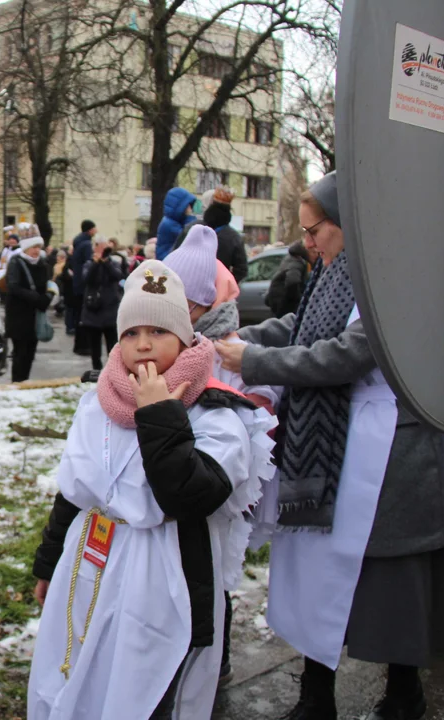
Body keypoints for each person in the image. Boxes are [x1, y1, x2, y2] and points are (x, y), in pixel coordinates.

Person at [215, 172, 444, 720]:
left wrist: (253, 361)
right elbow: (302, 325)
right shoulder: (335, 273)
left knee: (395, 586)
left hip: (392, 459)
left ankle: (404, 695)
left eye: (316, 231)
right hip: (337, 451)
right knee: (321, 577)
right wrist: (241, 337)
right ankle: (317, 697)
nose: (308, 243)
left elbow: (346, 352)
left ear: (350, 225)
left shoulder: (393, 277)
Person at [28, 259, 276, 720]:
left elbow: (189, 495)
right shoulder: (98, 404)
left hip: (162, 576)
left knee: (146, 693)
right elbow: (74, 492)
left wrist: (160, 414)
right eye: (130, 333)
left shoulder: (216, 416)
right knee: (81, 672)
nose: (142, 345)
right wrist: (48, 562)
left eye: (158, 332)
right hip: (89, 563)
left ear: (184, 338)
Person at [163, 223, 282, 685]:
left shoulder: (228, 349)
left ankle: (214, 659)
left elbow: (261, 405)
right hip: (171, 479)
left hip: (217, 491)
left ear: (201, 304)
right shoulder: (173, 339)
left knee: (210, 577)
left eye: (180, 301)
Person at [5, 236, 55, 383]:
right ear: (26, 248)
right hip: (18, 316)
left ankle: (25, 381)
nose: (37, 250)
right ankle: (17, 383)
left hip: (36, 315)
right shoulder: (16, 262)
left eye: (39, 247)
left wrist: (48, 296)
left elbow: (48, 283)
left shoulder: (43, 264)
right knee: (20, 352)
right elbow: (13, 286)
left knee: (30, 353)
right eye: (34, 247)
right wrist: (36, 298)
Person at [174, 187, 248, 282]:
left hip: (189, 286)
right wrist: (225, 284)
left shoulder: (191, 228)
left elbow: (175, 256)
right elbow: (241, 270)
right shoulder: (234, 238)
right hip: (216, 289)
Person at [79, 235, 124, 373]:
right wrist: (96, 263)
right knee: (95, 346)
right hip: (93, 310)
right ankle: (96, 370)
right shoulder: (89, 264)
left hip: (110, 310)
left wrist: (105, 262)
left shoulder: (114, 263)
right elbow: (86, 278)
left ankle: (113, 371)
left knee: (112, 345)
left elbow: (117, 276)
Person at [265, 239, 317, 317]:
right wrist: (299, 301)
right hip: (283, 303)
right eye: (314, 252)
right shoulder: (296, 261)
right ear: (308, 250)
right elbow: (292, 281)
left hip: (279, 300)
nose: (316, 256)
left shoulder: (294, 258)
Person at [70, 220, 97, 355]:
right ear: (90, 230)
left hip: (76, 284)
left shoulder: (78, 243)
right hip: (84, 285)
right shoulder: (87, 245)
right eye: (94, 228)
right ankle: (84, 346)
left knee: (78, 316)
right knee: (85, 316)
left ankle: (79, 345)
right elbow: (89, 264)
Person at [156, 187, 197, 260]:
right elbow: (189, 235)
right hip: (167, 260)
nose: (190, 208)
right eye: (187, 205)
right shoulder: (169, 224)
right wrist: (189, 216)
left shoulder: (173, 221)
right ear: (180, 206)